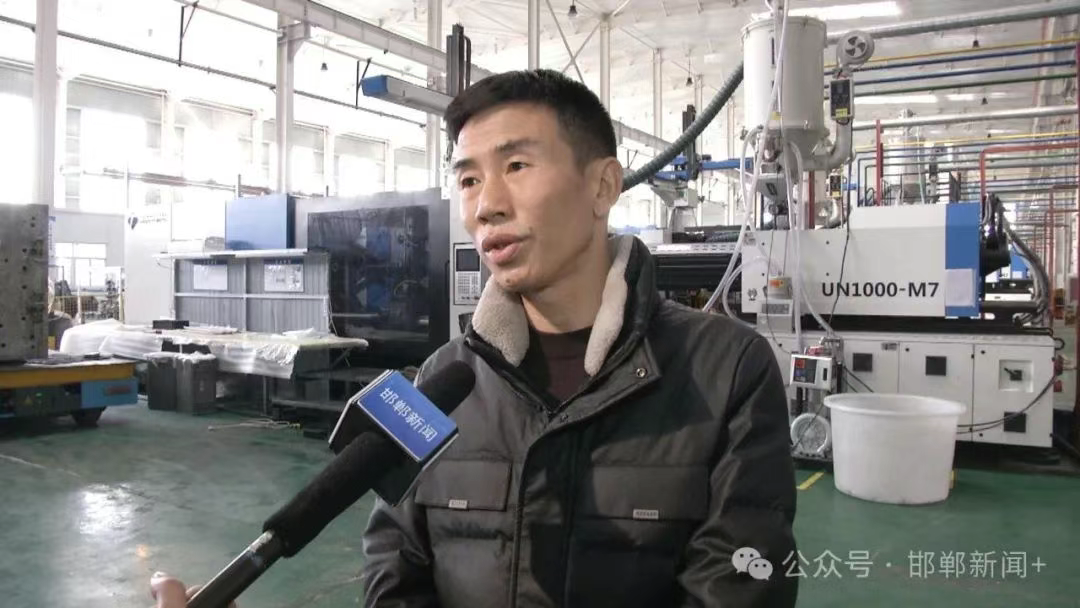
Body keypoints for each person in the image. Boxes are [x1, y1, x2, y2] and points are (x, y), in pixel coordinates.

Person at [150, 68, 797, 608]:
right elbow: (395, 568)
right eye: (467, 179)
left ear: (602, 185)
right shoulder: (442, 379)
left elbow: (739, 589)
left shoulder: (725, 370)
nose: (486, 204)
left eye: (516, 165)